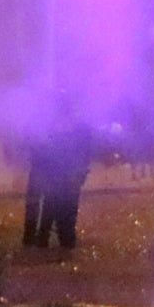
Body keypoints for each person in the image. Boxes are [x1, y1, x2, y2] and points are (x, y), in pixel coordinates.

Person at [23, 101, 95, 251]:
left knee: (59, 205)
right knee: (60, 205)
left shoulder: (71, 128)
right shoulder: (68, 128)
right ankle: (59, 238)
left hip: (65, 171)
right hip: (60, 172)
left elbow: (85, 151)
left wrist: (81, 170)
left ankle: (58, 238)